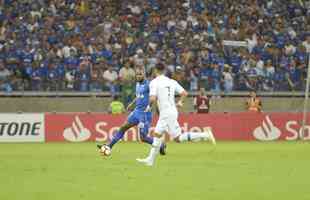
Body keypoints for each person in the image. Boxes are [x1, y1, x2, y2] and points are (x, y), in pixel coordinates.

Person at [137, 63, 216, 167]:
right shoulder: (171, 81)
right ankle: (150, 160)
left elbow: (152, 98)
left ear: (155, 71)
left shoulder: (154, 82)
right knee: (162, 136)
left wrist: (148, 107)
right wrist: (180, 102)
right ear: (164, 70)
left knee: (168, 136)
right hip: (172, 111)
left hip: (166, 113)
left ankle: (205, 135)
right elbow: (184, 93)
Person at [97, 67, 166, 155]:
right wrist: (132, 103)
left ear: (144, 75)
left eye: (140, 74)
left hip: (144, 115)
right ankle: (109, 146)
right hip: (136, 112)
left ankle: (161, 145)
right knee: (123, 127)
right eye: (137, 74)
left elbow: (154, 97)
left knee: (143, 138)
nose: (138, 76)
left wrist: (153, 107)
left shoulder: (149, 84)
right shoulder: (137, 84)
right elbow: (139, 96)